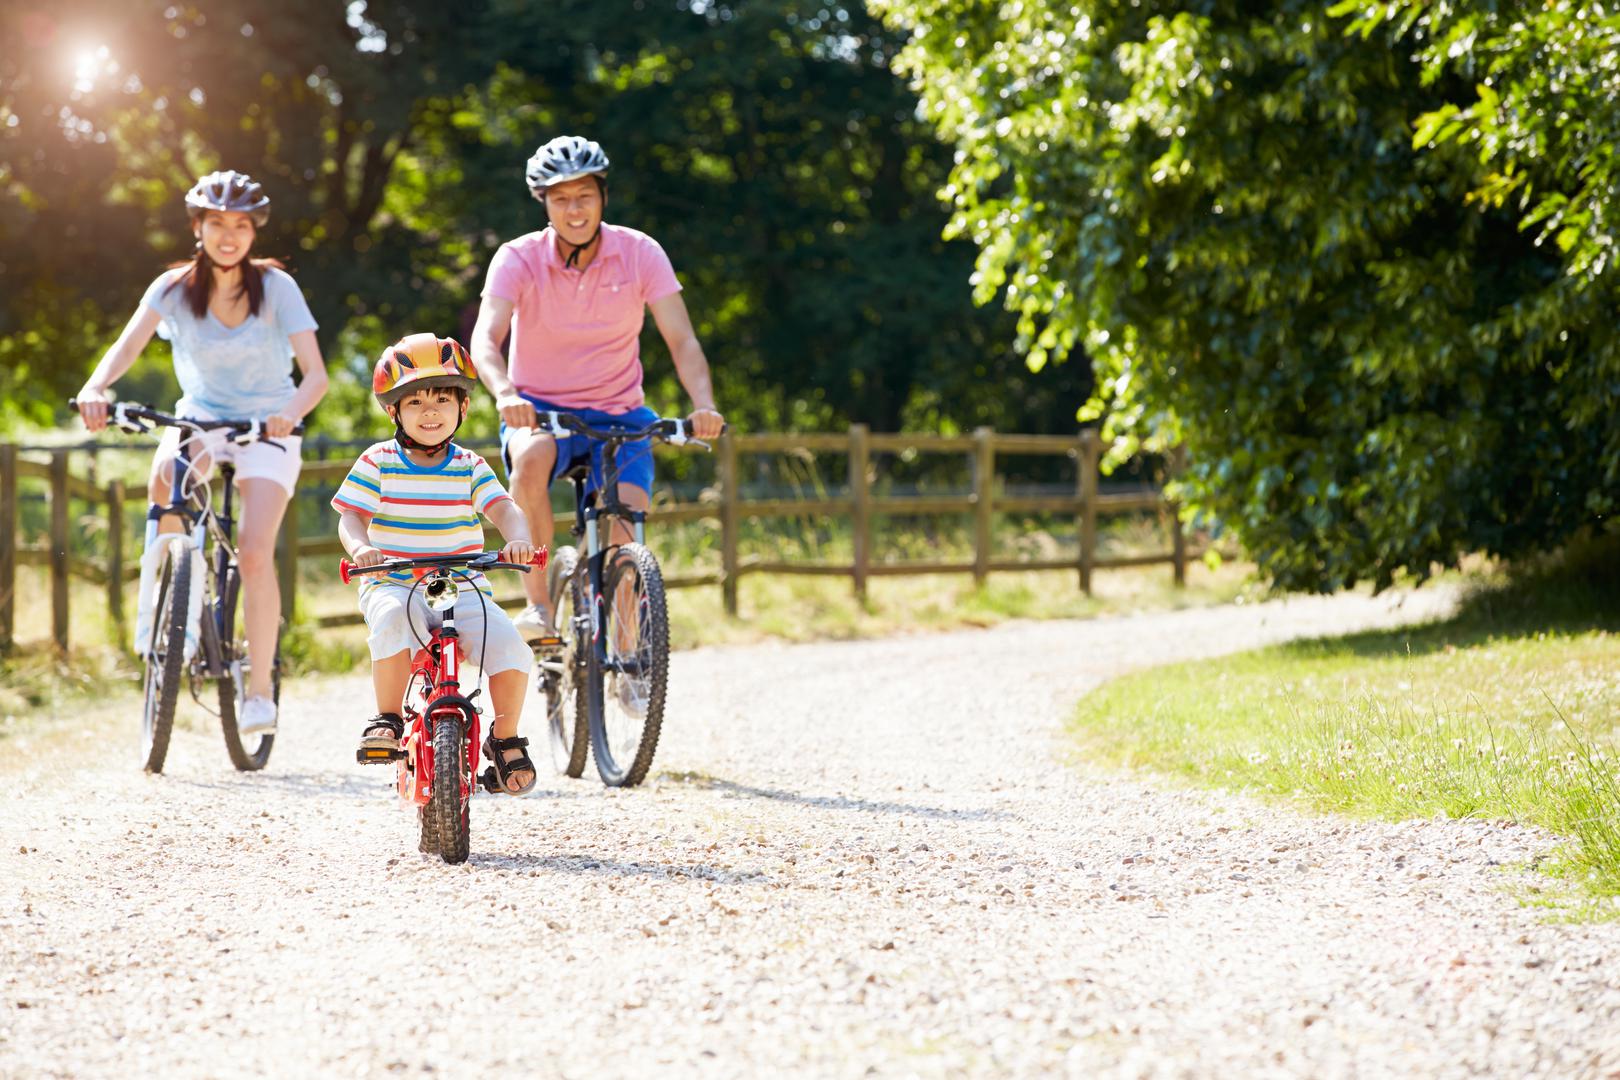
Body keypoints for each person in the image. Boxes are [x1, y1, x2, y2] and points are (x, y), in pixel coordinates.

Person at [76, 170, 329, 736]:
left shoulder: (277, 289)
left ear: (253, 232)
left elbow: (316, 376)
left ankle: (259, 690)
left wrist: (290, 412)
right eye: (217, 223)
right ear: (198, 227)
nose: (229, 235)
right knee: (167, 472)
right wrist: (97, 388)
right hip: (202, 417)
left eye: (241, 225)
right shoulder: (172, 288)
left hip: (269, 424)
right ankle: (172, 616)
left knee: (254, 551)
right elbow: (125, 348)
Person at [468, 135, 725, 641]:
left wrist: (704, 405)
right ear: (544, 203)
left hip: (621, 413)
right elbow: (485, 338)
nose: (574, 209)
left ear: (603, 196)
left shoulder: (640, 253)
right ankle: (539, 605)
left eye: (584, 195)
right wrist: (504, 393)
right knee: (532, 459)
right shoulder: (517, 258)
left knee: (627, 519)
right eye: (561, 198)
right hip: (538, 411)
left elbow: (683, 340)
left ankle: (628, 648)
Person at [332, 333, 539, 795]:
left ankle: (505, 739)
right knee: (388, 620)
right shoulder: (378, 461)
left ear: (462, 408)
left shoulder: (469, 465)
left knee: (510, 647)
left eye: (443, 399)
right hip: (395, 580)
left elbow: (503, 508)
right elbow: (351, 515)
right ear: (394, 412)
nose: (430, 411)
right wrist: (362, 548)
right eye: (416, 401)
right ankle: (386, 717)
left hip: (462, 581)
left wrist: (518, 539)